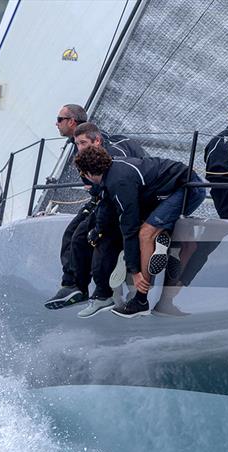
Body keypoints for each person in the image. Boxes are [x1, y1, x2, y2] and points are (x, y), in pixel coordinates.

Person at [74, 146, 206, 318]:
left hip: (188, 188)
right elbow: (106, 209)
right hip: (165, 189)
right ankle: (162, 236)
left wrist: (135, 271)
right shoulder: (112, 170)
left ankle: (141, 301)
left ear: (88, 173)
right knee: (144, 227)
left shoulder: (119, 182)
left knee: (145, 233)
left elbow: (129, 228)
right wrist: (98, 231)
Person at [44, 121, 146, 315]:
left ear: (97, 140)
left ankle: (100, 293)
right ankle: (72, 284)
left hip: (126, 201)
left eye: (82, 143)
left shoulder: (115, 155)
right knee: (72, 233)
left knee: (92, 237)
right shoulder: (87, 157)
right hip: (106, 199)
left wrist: (98, 228)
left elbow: (115, 190)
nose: (79, 148)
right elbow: (98, 189)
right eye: (77, 144)